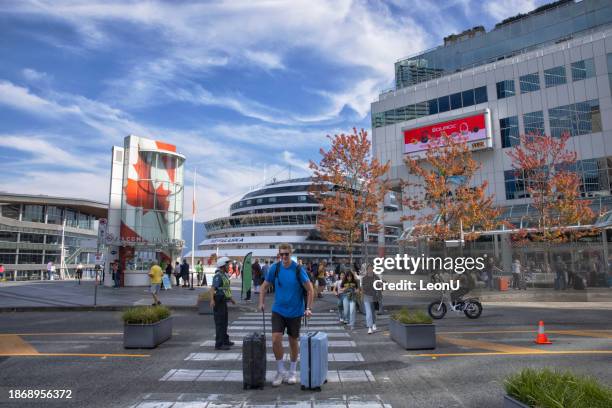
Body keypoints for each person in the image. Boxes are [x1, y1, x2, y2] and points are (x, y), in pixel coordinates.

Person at [258, 244, 314, 387]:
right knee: (276, 339)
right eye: (281, 254)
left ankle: (292, 371)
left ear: (291, 254)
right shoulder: (275, 268)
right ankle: (280, 371)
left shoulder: (298, 269)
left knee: (293, 341)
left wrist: (308, 308)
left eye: (286, 254)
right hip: (278, 310)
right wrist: (261, 302)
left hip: (295, 311)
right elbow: (264, 286)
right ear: (279, 254)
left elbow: (310, 289)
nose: (284, 257)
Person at [211, 256, 236, 350]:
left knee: (224, 322)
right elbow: (213, 288)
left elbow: (225, 289)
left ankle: (225, 340)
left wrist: (231, 299)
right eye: (227, 265)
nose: (228, 267)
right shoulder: (218, 276)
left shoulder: (224, 275)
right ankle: (219, 344)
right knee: (220, 323)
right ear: (222, 266)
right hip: (218, 301)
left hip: (223, 301)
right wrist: (212, 300)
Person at [360, 265, 380, 334]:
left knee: (373, 312)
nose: (370, 270)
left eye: (371, 269)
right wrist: (362, 296)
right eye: (369, 269)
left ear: (373, 269)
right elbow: (362, 288)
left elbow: (380, 287)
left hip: (374, 297)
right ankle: (369, 327)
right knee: (368, 313)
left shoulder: (376, 277)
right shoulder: (364, 278)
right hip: (366, 296)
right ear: (367, 270)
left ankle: (374, 323)